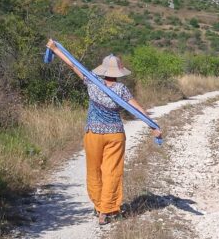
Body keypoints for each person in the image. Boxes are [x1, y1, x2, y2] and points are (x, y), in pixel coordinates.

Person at [46, 40, 162, 225]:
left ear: (103, 70)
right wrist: (153, 126)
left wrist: (54, 49)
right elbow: (138, 110)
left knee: (94, 171)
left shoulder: (92, 82)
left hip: (93, 133)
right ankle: (107, 210)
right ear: (119, 73)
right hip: (115, 135)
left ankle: (100, 206)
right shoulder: (122, 89)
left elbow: (72, 64)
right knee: (112, 172)